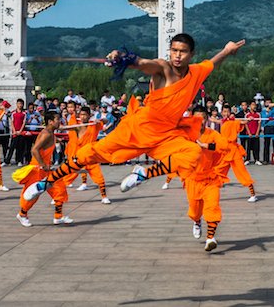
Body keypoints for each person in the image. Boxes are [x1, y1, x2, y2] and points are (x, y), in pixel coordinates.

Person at [23, 35, 245, 202]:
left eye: (183, 51)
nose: (177, 55)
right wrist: (124, 58)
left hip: (166, 135)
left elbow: (213, 63)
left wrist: (227, 49)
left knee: (193, 154)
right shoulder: (164, 69)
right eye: (174, 50)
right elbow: (145, 63)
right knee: (89, 153)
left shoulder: (197, 71)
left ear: (191, 54)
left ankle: (144, 173)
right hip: (138, 129)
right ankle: (47, 182)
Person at [16, 111, 73, 227]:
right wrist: (43, 165)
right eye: (57, 119)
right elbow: (34, 150)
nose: (60, 121)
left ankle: (58, 216)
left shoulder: (51, 133)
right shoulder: (46, 133)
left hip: (47, 170)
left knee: (59, 188)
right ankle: (22, 214)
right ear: (50, 122)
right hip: (37, 169)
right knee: (32, 195)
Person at [184, 107, 229, 252]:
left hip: (210, 178)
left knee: (212, 207)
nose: (200, 121)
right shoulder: (187, 135)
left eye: (202, 118)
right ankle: (197, 221)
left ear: (207, 119)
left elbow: (225, 146)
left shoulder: (212, 134)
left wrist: (206, 146)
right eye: (196, 118)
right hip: (192, 179)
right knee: (195, 211)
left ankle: (210, 238)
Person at [212, 105, 257, 202]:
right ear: (222, 112)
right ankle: (211, 192)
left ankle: (253, 194)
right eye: (224, 112)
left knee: (241, 171)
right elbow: (214, 120)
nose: (226, 113)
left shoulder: (234, 122)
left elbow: (242, 122)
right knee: (218, 171)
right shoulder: (222, 122)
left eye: (227, 112)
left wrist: (248, 120)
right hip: (225, 151)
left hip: (234, 151)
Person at [69, 106, 113, 203]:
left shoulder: (94, 125)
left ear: (89, 116)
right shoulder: (77, 126)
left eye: (85, 115)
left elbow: (105, 121)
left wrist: (99, 120)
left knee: (99, 177)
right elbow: (66, 127)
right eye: (81, 115)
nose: (82, 117)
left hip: (91, 155)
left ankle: (104, 196)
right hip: (79, 155)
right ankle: (56, 197)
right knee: (67, 175)